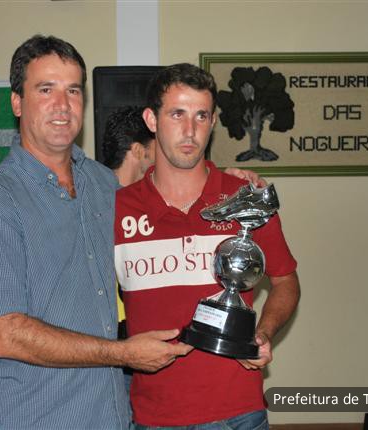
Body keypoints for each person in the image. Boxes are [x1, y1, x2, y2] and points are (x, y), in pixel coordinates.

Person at [0, 35, 192, 430]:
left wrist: (229, 184)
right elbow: (6, 336)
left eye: (72, 90)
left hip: (105, 412)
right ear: (17, 102)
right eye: (45, 89)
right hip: (30, 417)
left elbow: (167, 227)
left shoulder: (103, 184)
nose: (62, 105)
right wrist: (123, 353)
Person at [114, 64, 301, 429]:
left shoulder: (245, 199)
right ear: (151, 120)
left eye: (201, 116)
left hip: (238, 413)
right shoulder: (116, 209)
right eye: (177, 114)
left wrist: (263, 334)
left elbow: (286, 280)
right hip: (153, 416)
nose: (190, 130)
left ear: (213, 121)